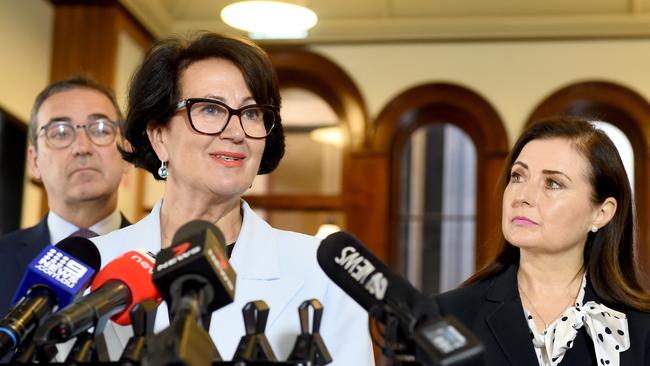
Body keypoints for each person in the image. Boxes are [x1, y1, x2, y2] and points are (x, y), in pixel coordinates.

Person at [91, 33, 375, 364]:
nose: (237, 132)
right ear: (159, 137)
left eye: (252, 113)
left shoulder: (322, 271)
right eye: (210, 109)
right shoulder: (100, 263)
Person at [436, 117, 650, 365]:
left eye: (553, 183)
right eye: (517, 176)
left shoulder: (641, 329)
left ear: (601, 213)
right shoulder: (449, 317)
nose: (523, 196)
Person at [0, 75, 131, 316]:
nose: (82, 147)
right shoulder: (3, 259)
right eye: (60, 132)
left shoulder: (157, 257)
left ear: (126, 153)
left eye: (101, 130)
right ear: (34, 161)